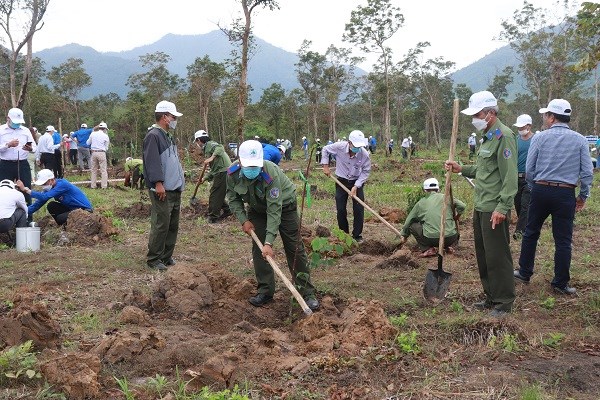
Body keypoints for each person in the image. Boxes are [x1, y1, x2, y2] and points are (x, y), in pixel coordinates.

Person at [444, 90, 517, 317]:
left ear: (490, 113)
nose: (473, 118)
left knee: (498, 256)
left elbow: (509, 176)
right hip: (481, 205)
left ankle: (503, 302)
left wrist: (502, 207)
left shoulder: (504, 136)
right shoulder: (486, 137)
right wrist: (460, 169)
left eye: (477, 114)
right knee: (484, 255)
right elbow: (483, 170)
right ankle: (490, 296)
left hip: (494, 207)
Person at [226, 140, 318, 310]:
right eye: (248, 166)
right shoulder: (232, 173)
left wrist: (269, 243)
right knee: (259, 249)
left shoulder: (271, 172)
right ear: (240, 161)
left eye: (255, 166)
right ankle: (265, 291)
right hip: (256, 210)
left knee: (294, 247)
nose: (252, 169)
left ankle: (307, 292)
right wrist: (243, 220)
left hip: (285, 207)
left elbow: (274, 210)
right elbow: (233, 198)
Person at [514, 99, 593, 295]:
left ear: (552, 117)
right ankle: (560, 283)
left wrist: (535, 187)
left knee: (531, 232)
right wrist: (582, 196)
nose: (545, 118)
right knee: (563, 240)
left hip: (540, 190)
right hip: (565, 193)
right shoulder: (580, 140)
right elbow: (587, 173)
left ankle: (524, 272)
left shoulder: (540, 138)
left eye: (546, 115)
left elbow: (530, 169)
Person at [143, 100, 185, 271]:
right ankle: (154, 258)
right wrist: (158, 183)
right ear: (164, 117)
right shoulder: (153, 136)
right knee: (161, 223)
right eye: (173, 116)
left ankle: (166, 256)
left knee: (172, 224)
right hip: (162, 189)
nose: (175, 119)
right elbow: (152, 162)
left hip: (174, 187)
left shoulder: (167, 135)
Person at [321, 130, 371, 242]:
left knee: (358, 209)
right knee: (341, 209)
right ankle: (344, 235)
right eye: (355, 146)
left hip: (356, 182)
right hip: (341, 182)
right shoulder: (339, 147)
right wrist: (325, 166)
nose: (358, 148)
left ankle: (357, 235)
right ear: (349, 142)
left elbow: (366, 171)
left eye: (360, 146)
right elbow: (325, 149)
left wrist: (356, 186)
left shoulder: (364, 154)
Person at [400, 178, 466, 257]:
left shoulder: (421, 203)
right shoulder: (446, 197)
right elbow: (462, 206)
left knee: (412, 225)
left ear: (424, 190)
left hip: (432, 239)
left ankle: (427, 249)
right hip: (451, 238)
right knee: (448, 224)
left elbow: (409, 221)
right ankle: (448, 247)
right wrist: (457, 216)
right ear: (438, 189)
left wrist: (404, 235)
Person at [16, 169, 92, 226]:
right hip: (72, 209)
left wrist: (28, 191)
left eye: (45, 183)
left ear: (51, 180)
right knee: (51, 205)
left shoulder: (62, 184)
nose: (43, 186)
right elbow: (37, 205)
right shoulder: (49, 189)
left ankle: (70, 226)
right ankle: (66, 226)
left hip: (84, 210)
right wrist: (20, 213)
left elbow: (44, 197)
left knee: (60, 218)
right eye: (42, 184)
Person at [0, 108, 36, 212]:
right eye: (15, 122)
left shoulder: (25, 131)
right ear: (8, 118)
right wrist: (8, 145)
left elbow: (34, 146)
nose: (17, 124)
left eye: (19, 123)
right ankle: (5, 216)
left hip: (22, 164)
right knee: (4, 190)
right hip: (5, 165)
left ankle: (28, 218)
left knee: (26, 189)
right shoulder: (1, 130)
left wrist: (31, 149)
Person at [194, 129, 232, 223]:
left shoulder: (211, 144)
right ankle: (227, 210)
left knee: (214, 195)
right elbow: (214, 169)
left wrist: (211, 157)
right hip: (221, 171)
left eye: (196, 141)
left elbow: (220, 147)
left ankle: (213, 217)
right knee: (216, 192)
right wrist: (204, 178)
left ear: (199, 140)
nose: (197, 144)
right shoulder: (207, 148)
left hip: (224, 172)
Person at [512, 114, 534, 240]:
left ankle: (519, 232)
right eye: (518, 127)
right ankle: (527, 226)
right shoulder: (515, 140)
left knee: (526, 205)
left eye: (522, 126)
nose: (520, 129)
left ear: (529, 126)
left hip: (529, 178)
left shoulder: (535, 140)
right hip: (516, 178)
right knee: (518, 205)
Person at [87, 122, 110, 189]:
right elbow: (106, 147)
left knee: (94, 170)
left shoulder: (93, 133)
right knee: (103, 170)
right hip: (101, 153)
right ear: (105, 129)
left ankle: (93, 186)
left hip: (93, 153)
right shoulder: (105, 136)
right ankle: (104, 186)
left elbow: (88, 142)